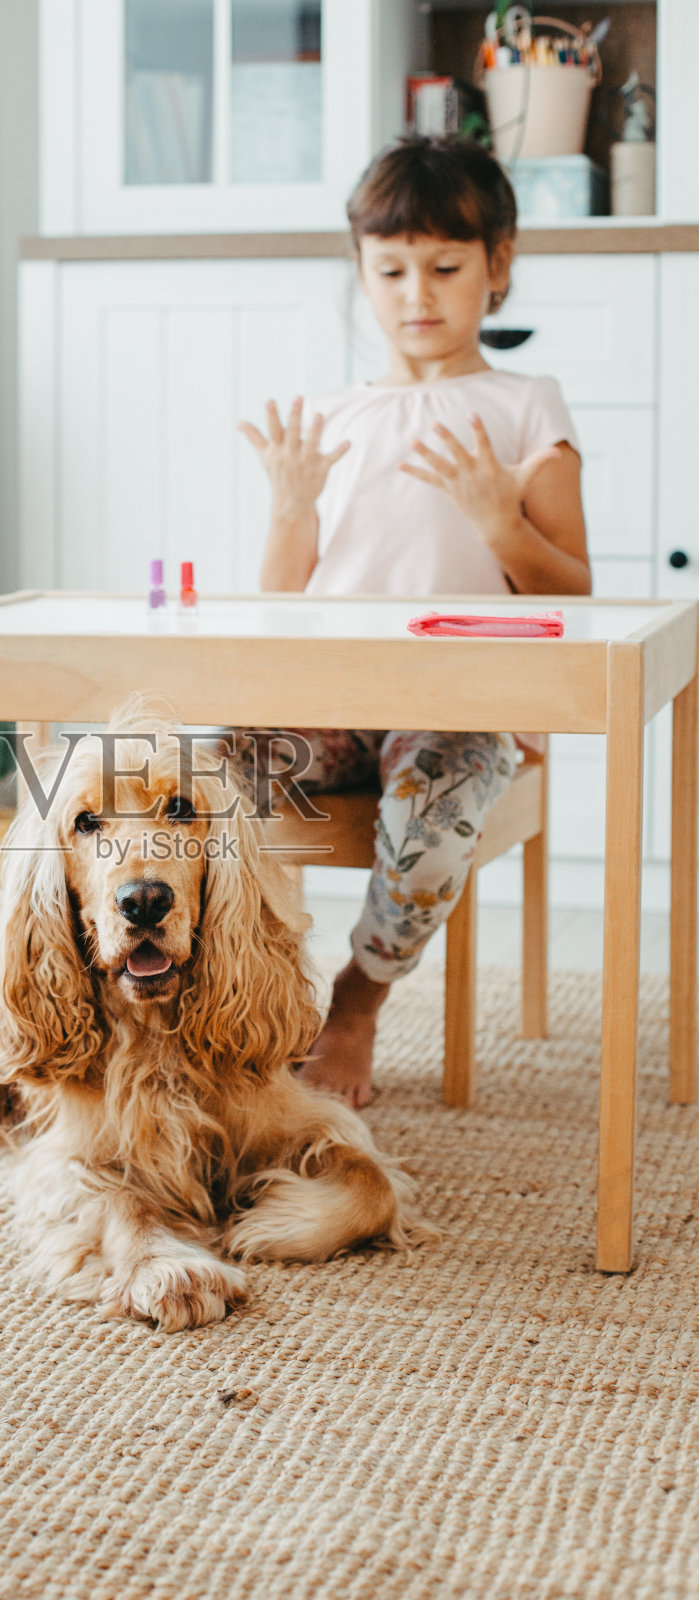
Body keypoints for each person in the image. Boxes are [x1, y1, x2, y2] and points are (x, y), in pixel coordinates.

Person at [236, 134, 591, 1110]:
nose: (414, 294)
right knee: (203, 780)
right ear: (359, 271)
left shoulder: (523, 406)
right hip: (330, 704)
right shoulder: (331, 412)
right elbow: (278, 600)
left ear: (497, 266)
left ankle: (355, 997)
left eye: (443, 267)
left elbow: (572, 592)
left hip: (459, 711)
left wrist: (498, 522)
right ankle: (242, 993)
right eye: (388, 270)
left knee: (431, 818)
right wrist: (288, 506)